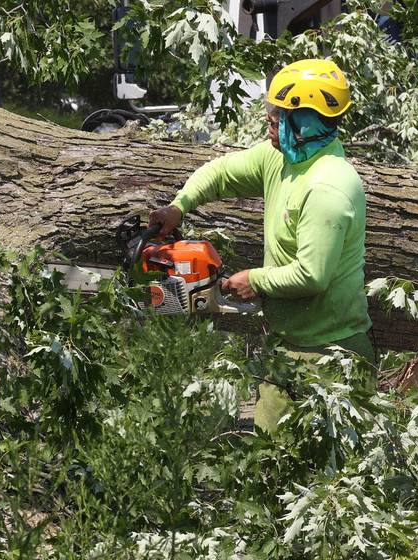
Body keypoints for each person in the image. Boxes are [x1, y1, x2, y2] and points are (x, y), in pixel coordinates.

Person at [149, 59, 373, 432]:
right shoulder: (282, 156)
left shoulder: (327, 187)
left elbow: (312, 276)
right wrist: (179, 205)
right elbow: (221, 172)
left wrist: (256, 279)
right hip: (288, 347)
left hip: (331, 358)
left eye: (274, 121)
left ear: (303, 124)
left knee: (331, 481)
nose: (268, 128)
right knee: (272, 465)